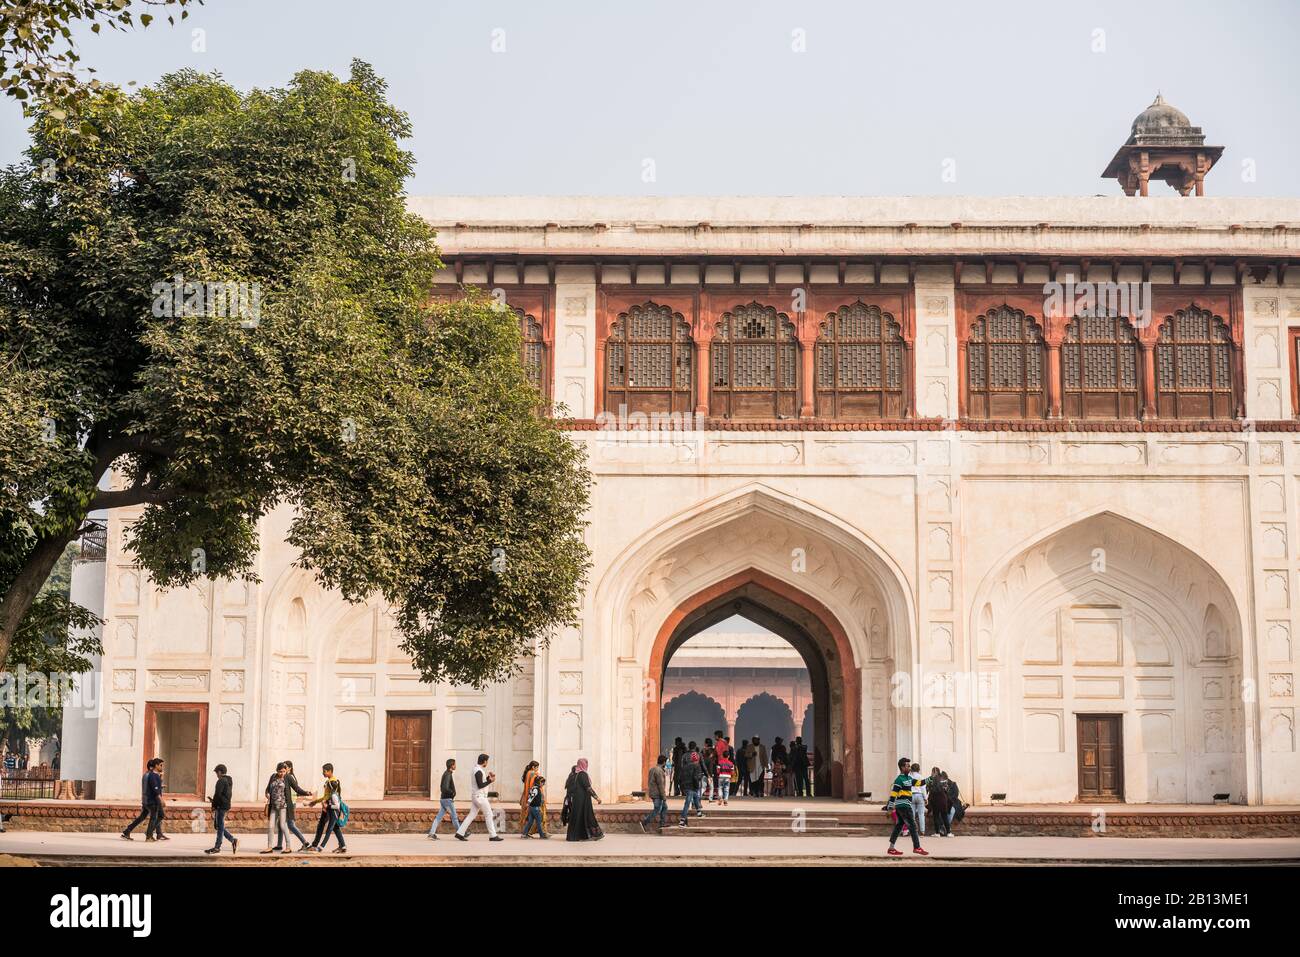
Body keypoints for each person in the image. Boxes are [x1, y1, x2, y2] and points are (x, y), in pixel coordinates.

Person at [885, 757, 928, 857]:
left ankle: (891, 848)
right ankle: (917, 847)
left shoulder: (909, 778)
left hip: (905, 806)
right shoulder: (899, 780)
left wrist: (931, 778)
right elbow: (893, 794)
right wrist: (890, 808)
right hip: (903, 806)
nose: (909, 768)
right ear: (902, 767)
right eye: (907, 766)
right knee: (913, 826)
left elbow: (920, 783)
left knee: (899, 826)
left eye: (909, 766)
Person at [456, 753, 503, 842]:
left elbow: (480, 781)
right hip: (480, 797)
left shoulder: (476, 769)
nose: (487, 763)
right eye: (487, 761)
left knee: (471, 815)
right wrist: (490, 780)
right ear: (484, 761)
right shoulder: (478, 770)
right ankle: (493, 835)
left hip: (476, 796)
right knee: (489, 815)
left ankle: (460, 833)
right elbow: (480, 785)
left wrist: (488, 778)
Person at [306, 763, 347, 853]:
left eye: (324, 771)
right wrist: (315, 802)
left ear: (330, 771)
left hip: (331, 808)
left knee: (326, 827)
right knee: (335, 827)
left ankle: (318, 847)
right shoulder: (333, 781)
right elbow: (328, 796)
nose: (323, 773)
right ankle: (343, 846)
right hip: (329, 807)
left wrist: (324, 804)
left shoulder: (331, 783)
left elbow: (331, 797)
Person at [121, 758, 161, 841]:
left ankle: (127, 831)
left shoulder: (146, 775)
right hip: (150, 800)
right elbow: (152, 789)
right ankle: (149, 835)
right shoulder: (151, 776)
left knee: (142, 817)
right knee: (155, 817)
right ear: (152, 767)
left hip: (145, 800)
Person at [564, 758, 603, 841]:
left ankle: (575, 836)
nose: (587, 765)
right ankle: (592, 834)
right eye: (586, 763)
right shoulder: (583, 774)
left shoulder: (573, 774)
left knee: (578, 816)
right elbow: (588, 787)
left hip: (576, 799)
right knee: (587, 815)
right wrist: (597, 798)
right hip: (583, 800)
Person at [205, 764, 238, 855]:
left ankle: (217, 847)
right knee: (219, 826)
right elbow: (223, 794)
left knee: (220, 827)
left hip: (220, 806)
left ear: (219, 772)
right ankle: (233, 840)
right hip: (225, 805)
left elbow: (217, 794)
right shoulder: (228, 780)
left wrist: (213, 805)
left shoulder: (221, 781)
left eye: (216, 772)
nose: (216, 774)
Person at [280, 760, 312, 851]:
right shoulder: (282, 777)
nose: (283, 770)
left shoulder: (289, 777)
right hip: (284, 804)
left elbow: (297, 789)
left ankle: (305, 843)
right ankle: (279, 844)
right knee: (281, 824)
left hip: (290, 804)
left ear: (289, 768)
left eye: (285, 768)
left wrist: (306, 793)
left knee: (290, 825)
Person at [262, 762, 292, 855]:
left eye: (283, 771)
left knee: (283, 826)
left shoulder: (287, 777)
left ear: (286, 770)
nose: (282, 773)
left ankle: (288, 847)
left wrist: (306, 793)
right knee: (271, 826)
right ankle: (269, 847)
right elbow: (267, 788)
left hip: (283, 806)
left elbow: (296, 788)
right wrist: (267, 793)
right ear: (277, 770)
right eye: (280, 771)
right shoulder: (273, 776)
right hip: (273, 806)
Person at [428, 758, 459, 839]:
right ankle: (460, 833)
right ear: (452, 765)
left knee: (438, 817)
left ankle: (431, 833)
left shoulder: (447, 773)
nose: (456, 766)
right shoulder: (448, 774)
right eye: (455, 764)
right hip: (447, 799)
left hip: (443, 799)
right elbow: (445, 788)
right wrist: (452, 793)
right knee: (454, 817)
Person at [641, 753, 670, 831]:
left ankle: (662, 823)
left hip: (653, 792)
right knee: (657, 809)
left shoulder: (652, 769)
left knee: (664, 807)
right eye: (665, 762)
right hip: (658, 794)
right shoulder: (659, 771)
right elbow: (660, 785)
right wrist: (664, 796)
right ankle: (645, 821)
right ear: (663, 762)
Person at [677, 748, 704, 827]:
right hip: (692, 786)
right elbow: (696, 778)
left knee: (696, 797)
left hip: (686, 786)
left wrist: (681, 787)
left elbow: (680, 777)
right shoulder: (697, 766)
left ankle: (699, 813)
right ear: (697, 759)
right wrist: (697, 786)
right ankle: (682, 821)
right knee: (687, 803)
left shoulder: (685, 766)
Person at [521, 774, 549, 838]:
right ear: (538, 782)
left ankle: (524, 834)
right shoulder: (536, 789)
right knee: (539, 822)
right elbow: (531, 797)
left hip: (532, 807)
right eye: (542, 782)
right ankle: (542, 835)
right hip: (535, 808)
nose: (543, 784)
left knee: (530, 822)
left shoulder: (534, 788)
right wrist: (528, 803)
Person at [928, 769, 952, 838]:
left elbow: (929, 789)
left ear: (934, 772)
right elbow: (947, 789)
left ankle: (937, 833)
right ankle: (949, 833)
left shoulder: (931, 780)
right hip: (943, 800)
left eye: (932, 772)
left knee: (936, 816)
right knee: (944, 816)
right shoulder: (943, 779)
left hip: (935, 800)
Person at [518, 760, 540, 833]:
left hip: (526, 795)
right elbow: (534, 785)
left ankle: (526, 832)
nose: (537, 769)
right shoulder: (533, 773)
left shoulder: (528, 773)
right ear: (533, 767)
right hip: (531, 796)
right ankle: (529, 831)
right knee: (531, 815)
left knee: (527, 815)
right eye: (537, 767)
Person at [910, 762, 927, 837]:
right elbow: (923, 788)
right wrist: (925, 798)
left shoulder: (909, 776)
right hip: (919, 795)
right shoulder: (921, 776)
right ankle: (922, 832)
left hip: (911, 795)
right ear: (918, 769)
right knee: (921, 815)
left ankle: (913, 831)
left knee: (912, 815)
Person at [715, 737, 733, 805]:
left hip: (721, 776)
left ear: (722, 755)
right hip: (728, 777)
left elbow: (718, 770)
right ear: (728, 756)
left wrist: (718, 775)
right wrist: (731, 776)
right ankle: (725, 800)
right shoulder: (731, 763)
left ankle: (720, 798)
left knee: (720, 788)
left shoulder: (720, 762)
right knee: (726, 789)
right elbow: (732, 772)